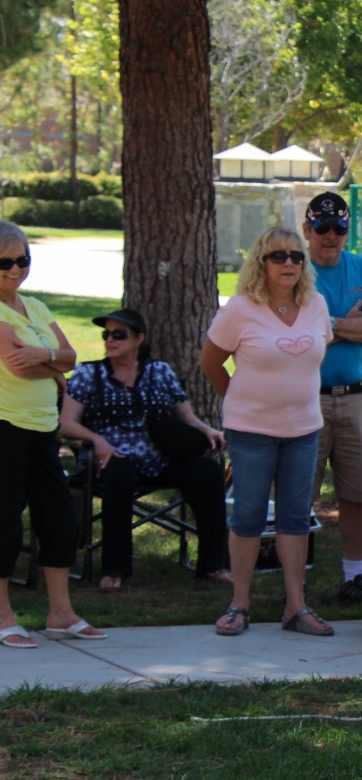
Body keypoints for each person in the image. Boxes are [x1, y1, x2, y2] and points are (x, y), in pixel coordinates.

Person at [201, 226, 334, 638]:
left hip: (304, 430)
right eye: (279, 256)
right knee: (248, 516)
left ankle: (296, 607)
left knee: (296, 518)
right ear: (261, 263)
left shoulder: (315, 304)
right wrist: (242, 399)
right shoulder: (240, 308)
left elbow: (314, 357)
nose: (290, 263)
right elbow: (211, 364)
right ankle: (239, 605)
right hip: (251, 432)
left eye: (297, 257)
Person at [61, 308, 229, 588]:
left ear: (138, 339)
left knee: (208, 471)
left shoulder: (160, 371)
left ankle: (212, 565)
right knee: (119, 471)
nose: (110, 340)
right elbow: (66, 423)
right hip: (110, 458)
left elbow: (185, 417)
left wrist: (207, 429)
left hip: (160, 457)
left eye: (119, 334)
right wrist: (98, 440)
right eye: (107, 334)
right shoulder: (88, 374)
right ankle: (115, 569)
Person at [0, 220, 105, 648]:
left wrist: (48, 359)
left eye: (22, 260)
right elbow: (14, 362)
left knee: (59, 519)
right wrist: (55, 368)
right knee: (4, 523)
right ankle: (3, 615)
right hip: (5, 427)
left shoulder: (37, 307)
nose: (14, 269)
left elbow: (72, 356)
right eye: (4, 261)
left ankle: (60, 613)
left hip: (44, 429)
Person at [303, 192, 362, 604]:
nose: (330, 235)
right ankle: (293, 579)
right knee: (299, 493)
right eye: (321, 227)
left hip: (356, 398)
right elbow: (297, 338)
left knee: (357, 493)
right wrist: (349, 323)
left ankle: (355, 577)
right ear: (307, 230)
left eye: (338, 227)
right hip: (305, 398)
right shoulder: (295, 271)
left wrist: (329, 325)